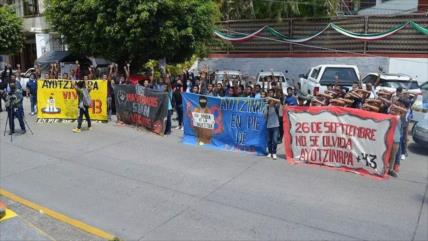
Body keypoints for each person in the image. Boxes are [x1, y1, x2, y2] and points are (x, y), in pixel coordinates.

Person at [265, 89, 281, 160]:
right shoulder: (267, 107)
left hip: (276, 125)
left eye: (271, 92)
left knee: (274, 140)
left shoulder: (276, 105)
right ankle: (270, 152)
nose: (271, 102)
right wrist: (266, 108)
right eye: (269, 93)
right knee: (269, 140)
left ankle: (274, 153)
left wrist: (271, 98)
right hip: (269, 125)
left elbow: (279, 101)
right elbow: (264, 116)